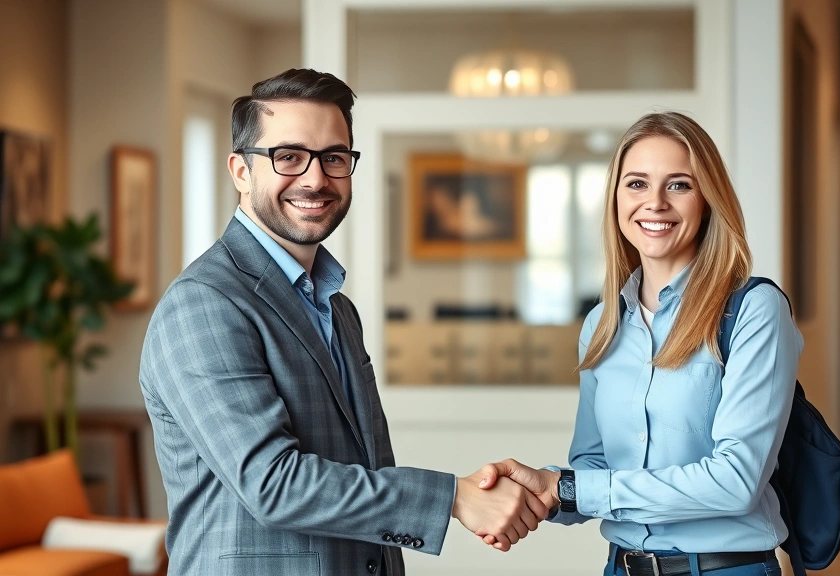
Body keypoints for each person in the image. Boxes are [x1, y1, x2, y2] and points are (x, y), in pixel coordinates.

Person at [139, 69, 546, 576]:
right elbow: (274, 485)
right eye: (287, 156)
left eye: (334, 157)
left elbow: (363, 467)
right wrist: (453, 499)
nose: (314, 178)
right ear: (241, 171)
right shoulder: (204, 303)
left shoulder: (336, 306)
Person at [478, 112, 802, 576]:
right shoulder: (603, 324)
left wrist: (568, 489)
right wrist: (537, 494)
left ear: (708, 199)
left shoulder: (753, 310)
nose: (654, 203)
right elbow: (595, 464)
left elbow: (736, 481)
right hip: (621, 567)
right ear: (614, 199)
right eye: (636, 184)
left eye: (678, 185)